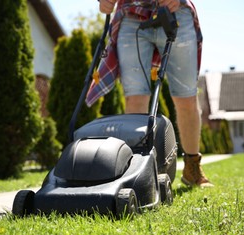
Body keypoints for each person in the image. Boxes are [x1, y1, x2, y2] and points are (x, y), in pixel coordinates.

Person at [86, 0, 213, 187]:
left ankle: (192, 167)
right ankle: (133, 171)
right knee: (135, 97)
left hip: (175, 11)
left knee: (185, 97)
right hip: (130, 15)